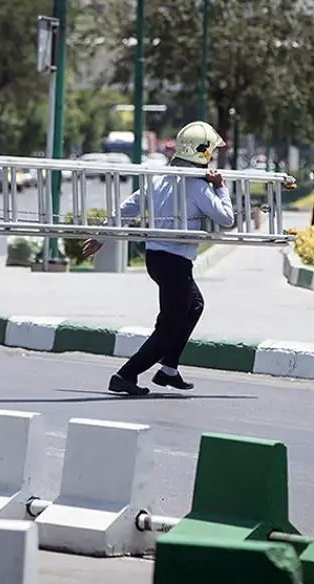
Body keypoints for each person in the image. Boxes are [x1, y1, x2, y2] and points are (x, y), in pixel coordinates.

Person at [82, 121, 234, 396]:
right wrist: (221, 188)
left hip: (157, 259)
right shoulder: (198, 187)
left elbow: (127, 208)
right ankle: (125, 375)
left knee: (195, 306)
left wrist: (101, 236)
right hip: (176, 263)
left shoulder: (160, 179)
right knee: (169, 327)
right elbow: (226, 218)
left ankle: (169, 369)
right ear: (204, 153)